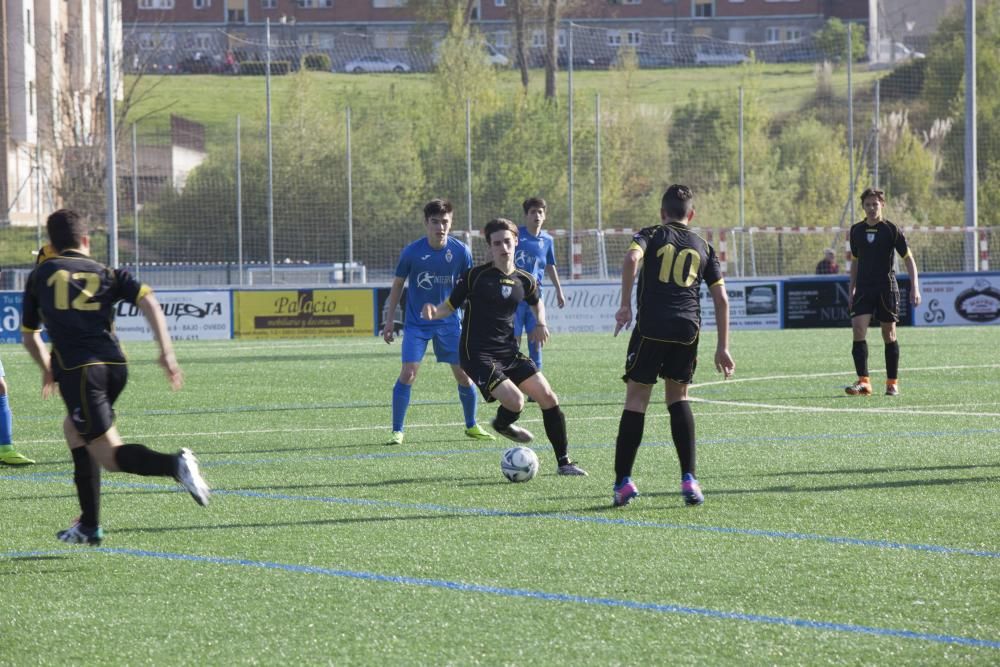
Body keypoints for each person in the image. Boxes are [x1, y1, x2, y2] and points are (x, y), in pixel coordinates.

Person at [21, 209, 210, 546]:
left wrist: (46, 367)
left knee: (109, 456)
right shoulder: (106, 271)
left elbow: (29, 335)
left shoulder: (41, 274)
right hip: (115, 368)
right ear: (86, 241)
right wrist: (166, 352)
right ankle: (89, 525)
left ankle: (175, 465)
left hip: (80, 372)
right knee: (73, 429)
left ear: (51, 243)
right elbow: (149, 300)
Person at [422, 217, 588, 476]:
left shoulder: (526, 279)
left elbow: (536, 301)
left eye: (507, 242)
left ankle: (564, 463)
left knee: (548, 397)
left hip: (508, 352)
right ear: (489, 247)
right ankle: (502, 424)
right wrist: (435, 313)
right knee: (517, 401)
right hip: (476, 354)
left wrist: (541, 322)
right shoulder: (475, 276)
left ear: (516, 242)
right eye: (497, 243)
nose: (503, 247)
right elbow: (450, 306)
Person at [611, 184, 734, 508]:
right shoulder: (703, 245)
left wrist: (625, 305)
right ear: (691, 215)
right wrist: (723, 347)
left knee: (636, 400)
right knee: (678, 398)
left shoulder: (650, 234)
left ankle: (623, 482)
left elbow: (630, 258)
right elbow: (721, 298)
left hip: (652, 326)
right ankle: (689, 479)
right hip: (686, 329)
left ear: (662, 213)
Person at [381, 199, 495, 446]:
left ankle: (472, 425)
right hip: (417, 324)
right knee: (408, 373)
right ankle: (397, 430)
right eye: (435, 222)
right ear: (426, 223)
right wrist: (390, 321)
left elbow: (468, 288)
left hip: (450, 322)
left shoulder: (461, 252)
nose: (440, 227)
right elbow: (398, 285)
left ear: (451, 223)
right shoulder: (412, 252)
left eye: (445, 222)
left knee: (464, 376)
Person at [845, 188, 921, 397]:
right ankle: (864, 382)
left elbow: (908, 259)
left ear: (882, 205)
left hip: (886, 287)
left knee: (889, 334)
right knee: (858, 330)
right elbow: (855, 261)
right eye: (868, 204)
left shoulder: (891, 230)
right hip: (863, 289)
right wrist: (851, 288)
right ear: (863, 207)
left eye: (875, 204)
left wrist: (915, 286)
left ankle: (892, 382)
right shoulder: (856, 231)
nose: (871, 208)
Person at [513, 197, 565, 374]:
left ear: (545, 215)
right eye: (533, 212)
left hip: (535, 298)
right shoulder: (516, 236)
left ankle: (535, 388)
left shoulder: (548, 240)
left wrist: (559, 290)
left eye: (540, 212)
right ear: (526, 215)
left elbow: (550, 265)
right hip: (514, 297)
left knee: (536, 342)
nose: (537, 215)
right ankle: (511, 383)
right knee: (513, 342)